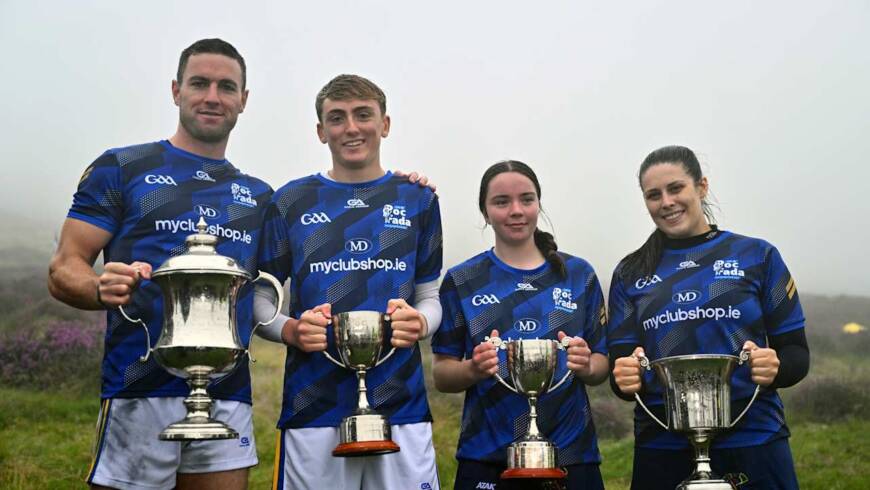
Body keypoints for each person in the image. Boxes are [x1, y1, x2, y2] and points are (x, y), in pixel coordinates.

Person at [47, 38, 270, 490]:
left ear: (243, 101)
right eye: (199, 83)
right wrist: (97, 288)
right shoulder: (123, 168)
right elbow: (65, 267)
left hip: (229, 393)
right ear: (175, 90)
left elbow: (277, 285)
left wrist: (403, 184)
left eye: (226, 87)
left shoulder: (260, 197)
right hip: (138, 388)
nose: (212, 96)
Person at [254, 74, 443, 490]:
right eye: (337, 118)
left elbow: (430, 295)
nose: (351, 128)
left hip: (402, 404)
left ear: (385, 124)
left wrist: (422, 323)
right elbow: (261, 297)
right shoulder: (289, 201)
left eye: (363, 115)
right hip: (311, 404)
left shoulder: (418, 198)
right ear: (321, 132)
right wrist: (289, 329)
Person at [607, 145, 810, 489]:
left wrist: (776, 368)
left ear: (701, 186)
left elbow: (797, 353)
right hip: (662, 442)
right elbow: (622, 369)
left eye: (676, 188)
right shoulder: (630, 272)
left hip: (753, 435)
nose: (666, 202)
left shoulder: (757, 256)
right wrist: (623, 378)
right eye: (653, 195)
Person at [431, 160, 609, 490]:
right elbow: (442, 374)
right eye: (501, 202)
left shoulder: (579, 275)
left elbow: (601, 366)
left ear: (538, 204)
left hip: (571, 453)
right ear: (484, 212)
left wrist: (586, 364)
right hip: (487, 456)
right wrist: (473, 368)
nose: (516, 210)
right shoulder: (463, 280)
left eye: (526, 199)